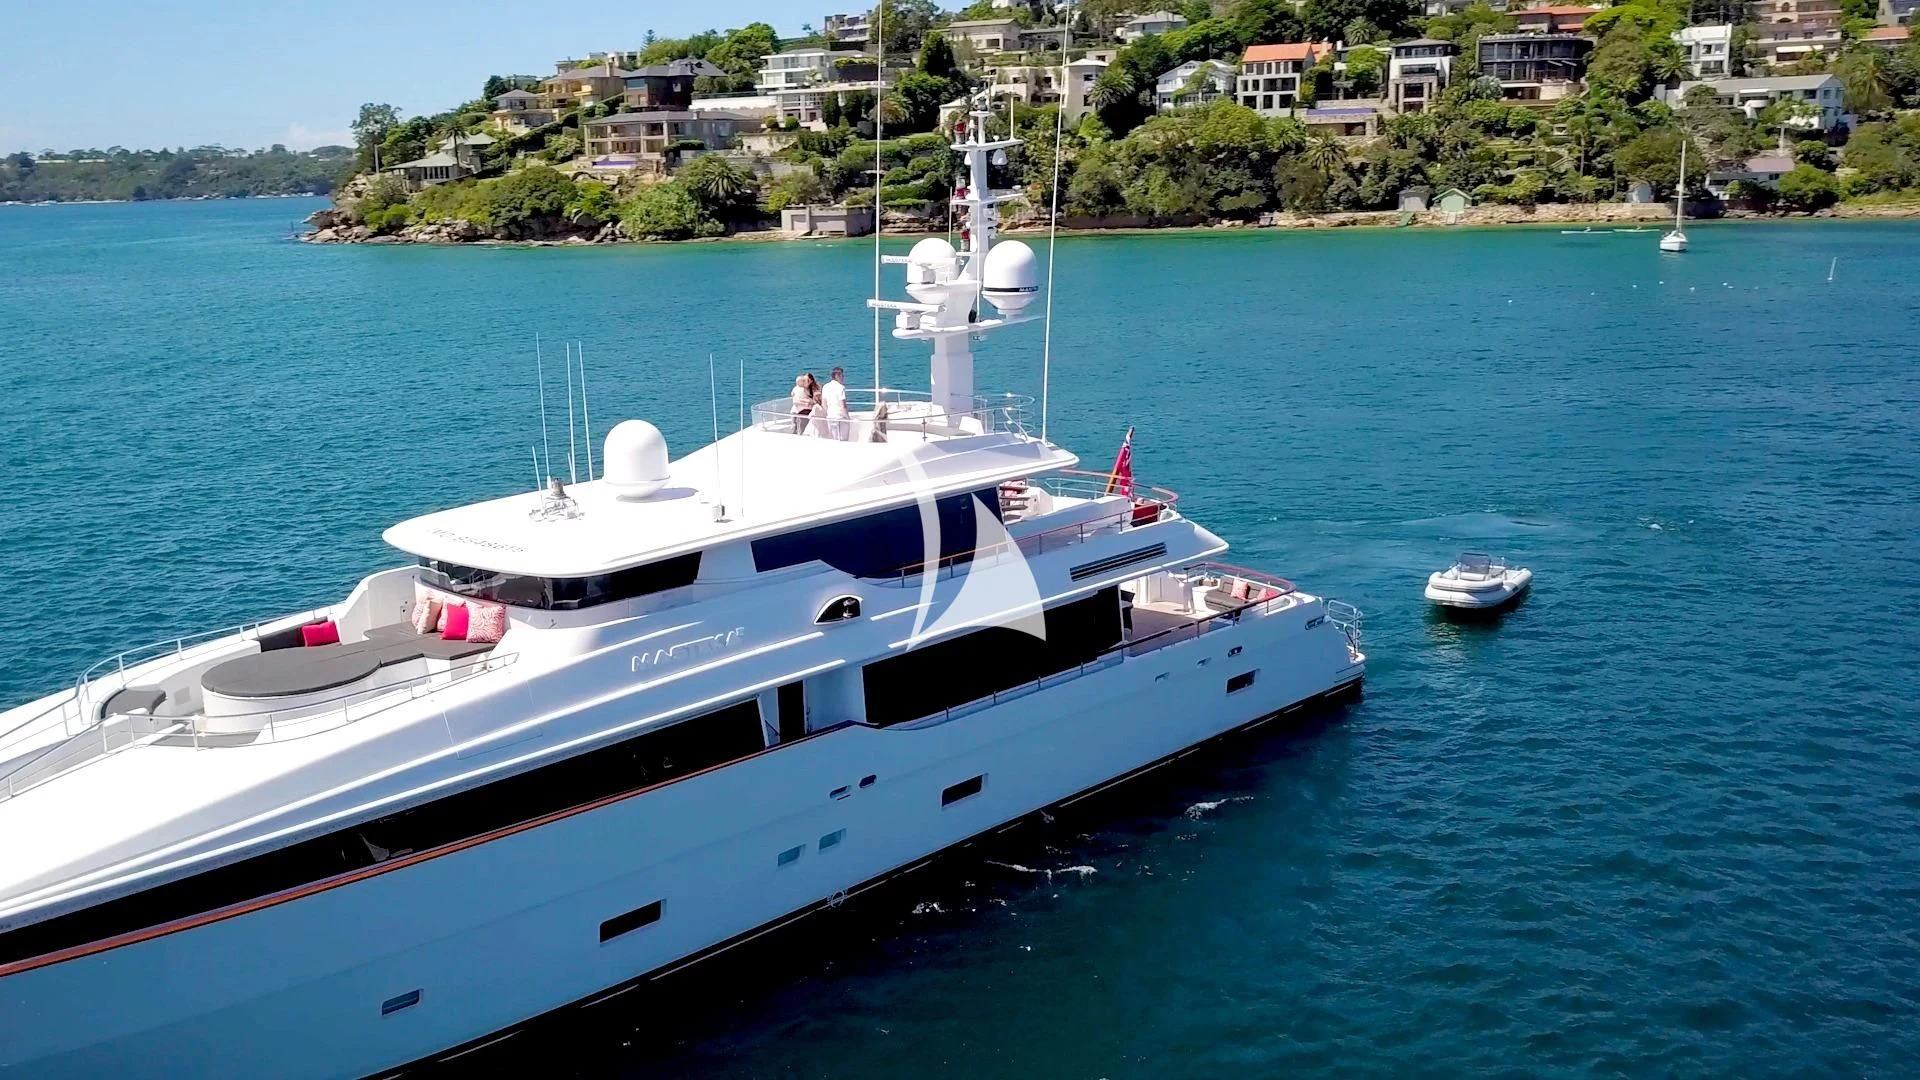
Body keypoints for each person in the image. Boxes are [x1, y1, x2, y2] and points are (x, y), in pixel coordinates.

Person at [823, 366, 850, 441]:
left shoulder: (825, 387)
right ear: (837, 376)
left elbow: (824, 403)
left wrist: (826, 414)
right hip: (840, 417)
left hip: (830, 416)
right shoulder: (840, 387)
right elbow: (842, 405)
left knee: (833, 439)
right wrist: (847, 417)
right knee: (843, 439)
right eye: (842, 375)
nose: (843, 377)